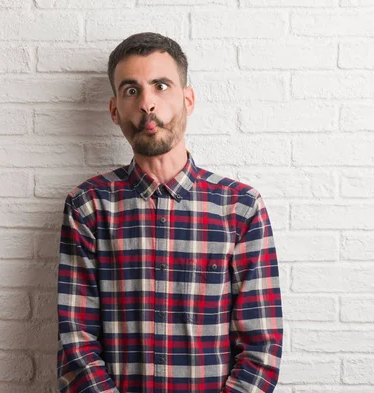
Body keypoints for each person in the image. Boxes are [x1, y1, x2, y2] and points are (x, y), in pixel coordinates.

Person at [56, 32, 283, 393]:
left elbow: (261, 346)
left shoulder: (241, 207)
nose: (148, 103)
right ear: (115, 110)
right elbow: (76, 343)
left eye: (161, 86)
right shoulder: (89, 206)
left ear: (187, 99)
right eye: (132, 90)